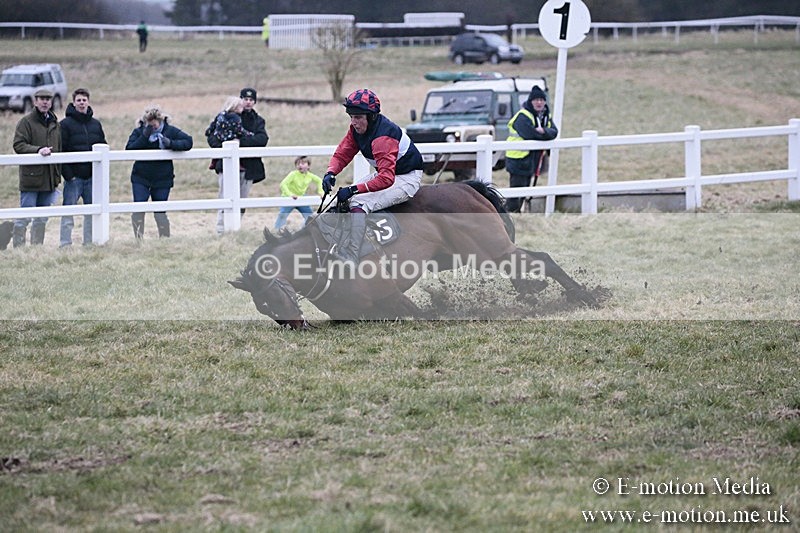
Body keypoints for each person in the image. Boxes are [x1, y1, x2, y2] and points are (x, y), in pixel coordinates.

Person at [322, 88, 424, 261]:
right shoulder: (356, 130)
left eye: (359, 117)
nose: (354, 122)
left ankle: (352, 255)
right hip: (389, 174)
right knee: (345, 200)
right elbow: (342, 153)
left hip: (407, 178)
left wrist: (354, 189)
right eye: (352, 117)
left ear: (372, 117)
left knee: (359, 202)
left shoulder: (383, 138)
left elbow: (386, 179)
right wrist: (330, 172)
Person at [125, 105, 192, 239]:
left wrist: (171, 143)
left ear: (160, 120)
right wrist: (144, 137)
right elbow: (130, 149)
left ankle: (164, 239)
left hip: (162, 178)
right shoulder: (139, 132)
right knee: (138, 210)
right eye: (149, 122)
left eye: (155, 121)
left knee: (160, 211)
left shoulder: (169, 131)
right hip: (141, 177)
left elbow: (188, 141)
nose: (153, 125)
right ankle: (138, 240)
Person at [209, 87, 269, 235]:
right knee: (224, 198)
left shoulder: (258, 121)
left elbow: (262, 139)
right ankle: (220, 230)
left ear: (254, 102)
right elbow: (212, 137)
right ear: (240, 99)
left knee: (242, 201)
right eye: (245, 99)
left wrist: (239, 143)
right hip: (227, 166)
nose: (248, 102)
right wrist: (227, 145)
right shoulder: (224, 117)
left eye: (251, 100)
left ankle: (234, 230)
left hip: (248, 168)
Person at [12, 88, 61, 247]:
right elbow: (18, 145)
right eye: (42, 98)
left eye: (48, 98)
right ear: (35, 101)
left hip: (49, 178)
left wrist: (57, 173)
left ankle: (36, 247)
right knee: (26, 215)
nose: (45, 101)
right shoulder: (26, 122)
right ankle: (19, 247)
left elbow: (59, 147)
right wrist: (37, 150)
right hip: (31, 178)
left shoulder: (54, 122)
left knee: (42, 217)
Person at [59, 88, 107, 247]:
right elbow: (61, 149)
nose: (81, 103)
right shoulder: (65, 125)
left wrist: (98, 174)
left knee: (91, 213)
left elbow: (103, 145)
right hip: (74, 178)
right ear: (74, 102)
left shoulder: (96, 124)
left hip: (92, 177)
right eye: (78, 100)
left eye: (84, 100)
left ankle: (89, 243)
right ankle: (65, 244)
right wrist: (68, 175)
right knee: (68, 212)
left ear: (88, 102)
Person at [504, 85, 558, 213]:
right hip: (517, 158)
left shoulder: (544, 116)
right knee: (515, 193)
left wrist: (543, 131)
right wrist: (544, 134)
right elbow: (530, 134)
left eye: (541, 100)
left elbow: (554, 132)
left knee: (525, 190)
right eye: (536, 100)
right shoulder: (522, 116)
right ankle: (507, 215)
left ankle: (516, 215)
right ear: (530, 101)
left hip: (531, 160)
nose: (539, 103)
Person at [205, 95, 254, 234]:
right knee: (225, 197)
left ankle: (230, 230)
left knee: (239, 199)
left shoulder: (220, 116)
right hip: (227, 160)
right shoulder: (236, 119)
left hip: (246, 166)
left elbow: (210, 131)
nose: (246, 104)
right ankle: (223, 229)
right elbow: (240, 132)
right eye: (243, 102)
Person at [274, 156, 323, 231]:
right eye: (298, 164)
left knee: (309, 215)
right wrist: (290, 194)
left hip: (301, 198)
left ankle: (307, 230)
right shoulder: (293, 174)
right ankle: (276, 231)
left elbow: (319, 181)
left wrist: (321, 192)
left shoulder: (310, 175)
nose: (300, 165)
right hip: (289, 198)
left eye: (303, 163)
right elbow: (283, 184)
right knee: (282, 215)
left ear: (308, 165)